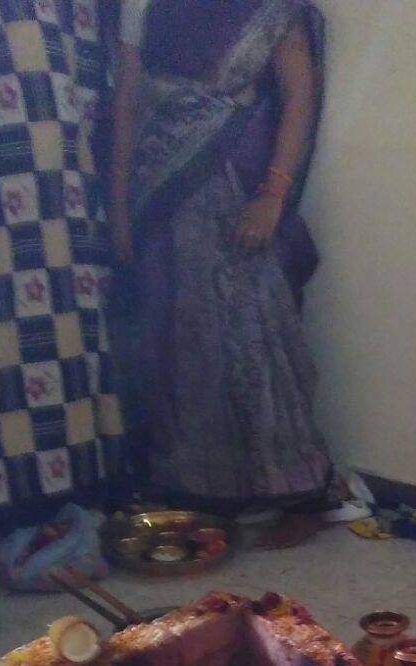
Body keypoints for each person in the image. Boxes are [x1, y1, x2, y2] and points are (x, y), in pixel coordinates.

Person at [110, 0, 331, 508]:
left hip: (238, 188)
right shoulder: (142, 3)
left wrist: (273, 195)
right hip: (158, 190)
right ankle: (189, 487)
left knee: (253, 336)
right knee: (171, 338)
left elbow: (299, 95)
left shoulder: (272, 8)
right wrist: (119, 208)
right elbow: (127, 103)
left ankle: (292, 489)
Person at [0, 0, 123, 535]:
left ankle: (63, 498)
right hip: (38, 167)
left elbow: (88, 74)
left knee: (61, 328)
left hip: (54, 176)